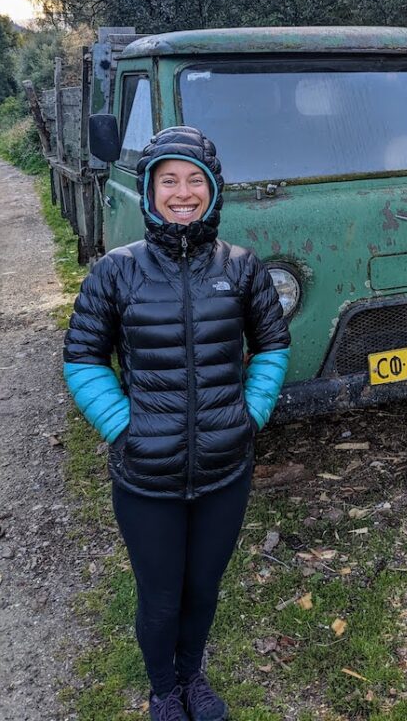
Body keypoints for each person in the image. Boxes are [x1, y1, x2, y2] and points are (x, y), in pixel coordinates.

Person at [63, 126, 290, 721]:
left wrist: (251, 414)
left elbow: (272, 343)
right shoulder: (116, 272)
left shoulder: (242, 268)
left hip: (224, 469)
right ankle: (163, 690)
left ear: (214, 190)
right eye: (169, 180)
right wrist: (123, 426)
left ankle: (193, 677)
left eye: (196, 180)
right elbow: (83, 355)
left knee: (202, 590)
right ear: (150, 189)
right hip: (146, 477)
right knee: (161, 597)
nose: (182, 193)